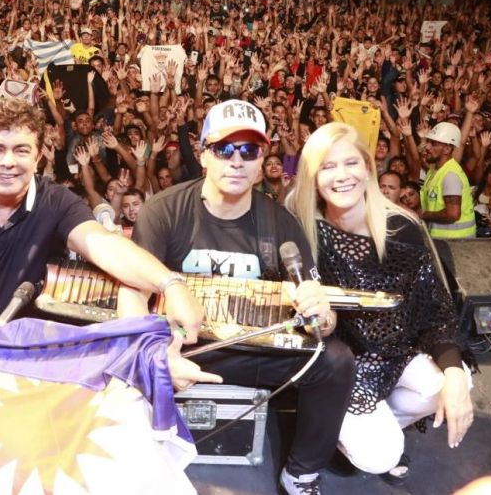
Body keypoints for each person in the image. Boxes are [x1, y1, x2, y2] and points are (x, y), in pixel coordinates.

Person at [118, 100, 354, 495]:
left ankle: (301, 474)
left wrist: (322, 315)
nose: (237, 160)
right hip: (181, 346)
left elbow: (321, 321)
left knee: (334, 361)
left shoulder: (278, 222)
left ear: (262, 161)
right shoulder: (164, 211)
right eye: (224, 148)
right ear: (203, 154)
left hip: (245, 348)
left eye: (250, 150)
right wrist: (155, 357)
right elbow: (133, 295)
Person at [0, 97, 208, 348]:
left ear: (38, 156)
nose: (8, 162)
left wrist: (170, 284)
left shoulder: (56, 200)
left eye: (21, 150)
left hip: (42, 353)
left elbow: (104, 244)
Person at [288, 122, 473, 486]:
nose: (341, 176)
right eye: (327, 166)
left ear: (368, 168)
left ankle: (366, 425)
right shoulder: (300, 223)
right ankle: (347, 430)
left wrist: (453, 373)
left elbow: (436, 310)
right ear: (312, 177)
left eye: (351, 163)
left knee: (457, 380)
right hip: (336, 361)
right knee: (380, 456)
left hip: (392, 355)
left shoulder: (401, 229)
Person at [420, 122, 476, 238]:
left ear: (446, 149)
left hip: (457, 243)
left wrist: (423, 214)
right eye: (428, 142)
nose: (427, 147)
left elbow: (452, 215)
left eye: (434, 143)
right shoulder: (434, 170)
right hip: (445, 240)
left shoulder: (450, 176)